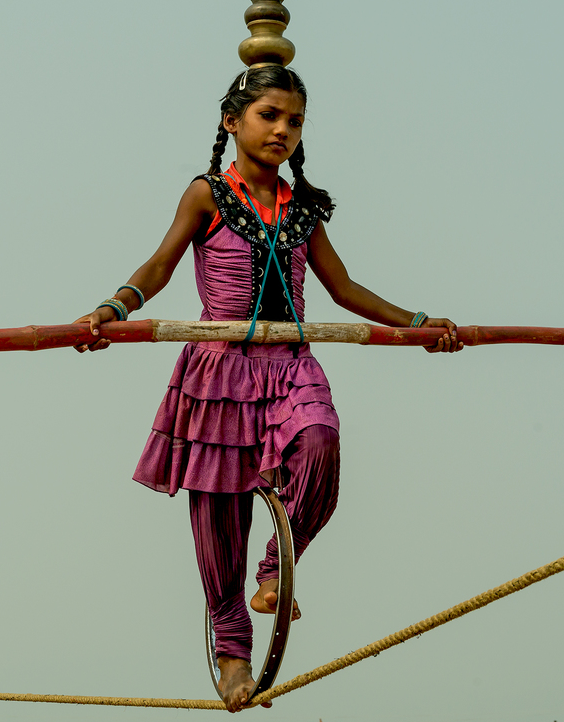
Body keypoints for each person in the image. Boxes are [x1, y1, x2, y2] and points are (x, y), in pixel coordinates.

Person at [74, 65, 462, 712]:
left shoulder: (302, 208)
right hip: (219, 369)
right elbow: (161, 264)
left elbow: (343, 287)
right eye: (269, 115)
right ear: (232, 121)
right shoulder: (207, 194)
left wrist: (416, 325)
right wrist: (114, 309)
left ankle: (279, 569)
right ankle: (232, 650)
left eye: (295, 121)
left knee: (320, 442)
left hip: (290, 363)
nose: (283, 129)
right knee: (220, 517)